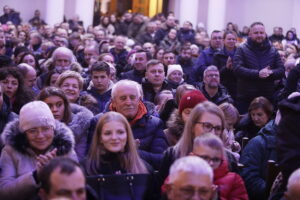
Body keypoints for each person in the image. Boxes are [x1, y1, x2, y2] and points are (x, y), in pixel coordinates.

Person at [0, 101, 77, 200]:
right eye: (32, 131)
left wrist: (55, 172)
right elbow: (3, 193)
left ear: (53, 129)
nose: (40, 136)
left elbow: (76, 187)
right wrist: (35, 176)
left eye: (46, 129)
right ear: (24, 134)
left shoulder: (65, 149)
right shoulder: (10, 151)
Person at [88, 80, 168, 169]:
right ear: (113, 101)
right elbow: (91, 159)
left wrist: (132, 151)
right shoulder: (98, 122)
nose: (128, 102)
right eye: (123, 98)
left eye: (133, 97)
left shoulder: (155, 124)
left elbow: (161, 160)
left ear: (139, 99)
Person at [159, 101, 237, 188]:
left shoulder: (230, 160)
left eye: (218, 128)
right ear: (192, 126)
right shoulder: (172, 156)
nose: (213, 133)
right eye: (207, 126)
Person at [233, 22, 284, 114]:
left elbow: (281, 70)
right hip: (246, 98)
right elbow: (237, 69)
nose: (259, 35)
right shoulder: (242, 49)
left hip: (267, 97)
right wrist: (258, 73)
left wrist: (270, 72)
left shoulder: (273, 50)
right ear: (250, 34)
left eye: (261, 33)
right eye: (256, 33)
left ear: (265, 34)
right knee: (244, 126)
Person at [37, 87, 93, 162]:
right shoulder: (34, 130)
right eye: (49, 106)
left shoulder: (79, 126)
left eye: (59, 105)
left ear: (65, 105)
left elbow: (80, 160)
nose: (55, 109)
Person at [84, 111, 149, 175]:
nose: (114, 137)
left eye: (120, 132)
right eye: (108, 133)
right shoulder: (86, 169)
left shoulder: (144, 168)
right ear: (100, 138)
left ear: (127, 135)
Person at [192, 134, 248, 200]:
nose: (211, 163)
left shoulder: (234, 180)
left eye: (215, 159)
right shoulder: (184, 175)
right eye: (205, 158)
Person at [239, 110, 280, 200]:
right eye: (253, 115)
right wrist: (276, 193)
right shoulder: (257, 143)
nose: (256, 118)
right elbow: (249, 181)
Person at [212, 31, 238, 100]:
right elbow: (215, 73)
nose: (231, 41)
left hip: (238, 89)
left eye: (233, 39)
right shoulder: (217, 55)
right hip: (222, 88)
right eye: (229, 39)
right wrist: (226, 68)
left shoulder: (240, 54)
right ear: (223, 40)